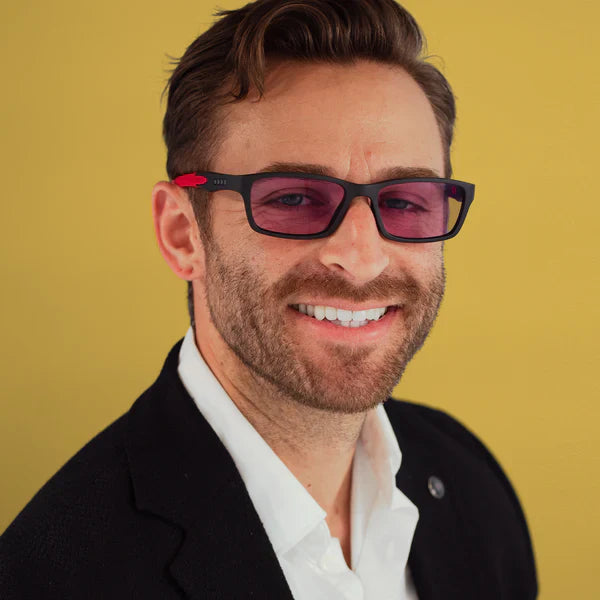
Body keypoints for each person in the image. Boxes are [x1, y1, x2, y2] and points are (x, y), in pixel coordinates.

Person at [0, 0, 538, 598]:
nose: (362, 257)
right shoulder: (57, 576)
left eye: (405, 201)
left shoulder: (471, 486)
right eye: (292, 199)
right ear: (182, 234)